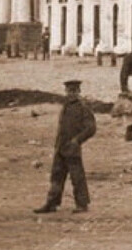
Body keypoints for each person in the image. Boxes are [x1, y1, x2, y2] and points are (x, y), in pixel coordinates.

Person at [34, 78, 96, 214]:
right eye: (69, 91)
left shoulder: (83, 107)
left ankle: (82, 204)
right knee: (56, 176)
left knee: (77, 177)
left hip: (72, 149)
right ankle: (52, 203)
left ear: (79, 91)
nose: (71, 94)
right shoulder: (65, 106)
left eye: (74, 91)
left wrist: (77, 140)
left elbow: (91, 128)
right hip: (61, 147)